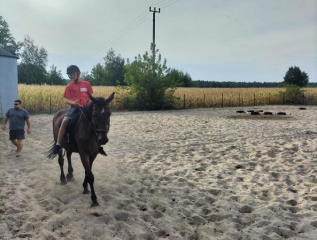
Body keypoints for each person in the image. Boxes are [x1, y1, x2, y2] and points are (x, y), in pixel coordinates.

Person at [51, 65, 107, 157]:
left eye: (73, 73)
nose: (72, 76)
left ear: (78, 73)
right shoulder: (69, 86)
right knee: (65, 121)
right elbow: (66, 100)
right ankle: (58, 144)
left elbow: (90, 95)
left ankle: (98, 145)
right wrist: (73, 102)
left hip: (87, 107)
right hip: (75, 108)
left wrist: (90, 100)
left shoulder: (87, 84)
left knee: (97, 121)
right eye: (70, 74)